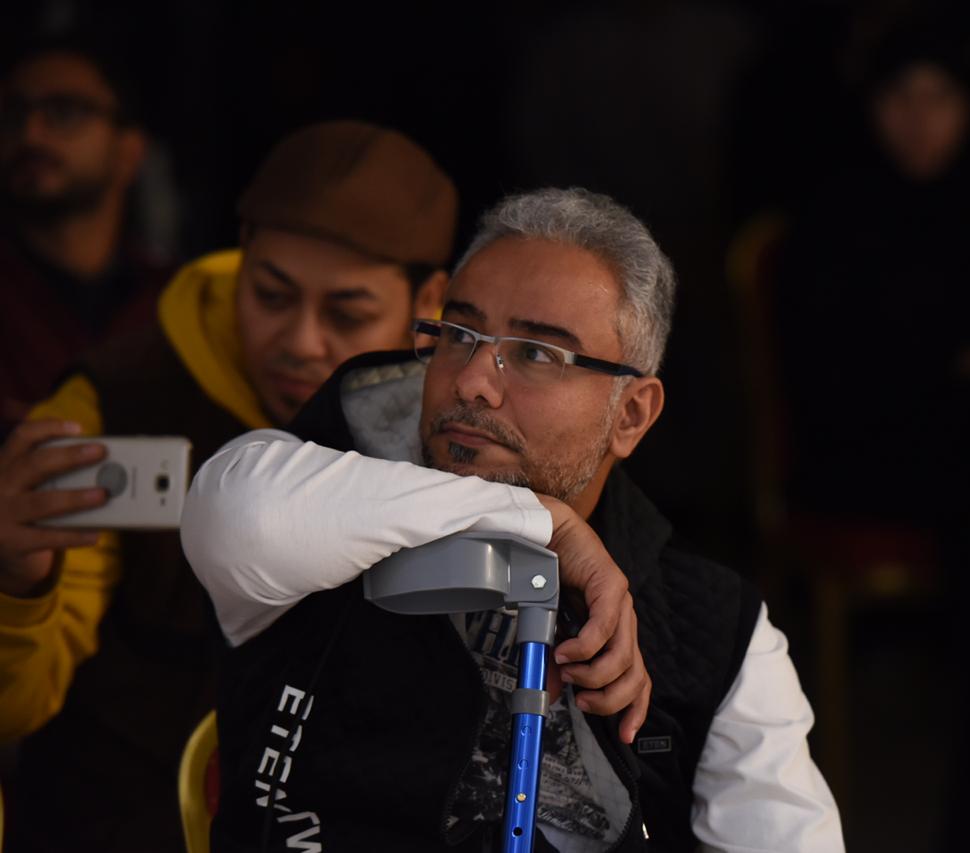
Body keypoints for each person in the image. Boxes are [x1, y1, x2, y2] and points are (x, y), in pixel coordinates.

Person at [181, 188, 842, 852]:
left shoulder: (718, 627)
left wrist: (534, 518)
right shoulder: (317, 489)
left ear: (631, 414)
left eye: (536, 354)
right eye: (459, 334)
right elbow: (247, 521)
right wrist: (542, 520)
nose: (472, 381)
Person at [0, 120, 458, 852]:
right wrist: (17, 585)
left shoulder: (461, 423)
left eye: (347, 313)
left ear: (429, 300)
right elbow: (16, 707)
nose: (301, 341)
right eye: (271, 295)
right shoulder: (117, 404)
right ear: (240, 256)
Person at [0, 38, 169, 425]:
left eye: (64, 112)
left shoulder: (177, 302)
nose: (31, 134)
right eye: (13, 114)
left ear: (129, 150)